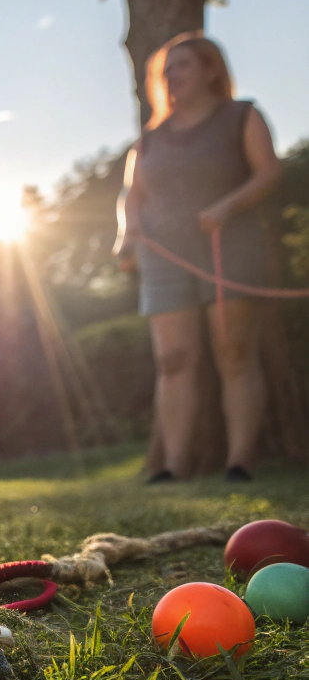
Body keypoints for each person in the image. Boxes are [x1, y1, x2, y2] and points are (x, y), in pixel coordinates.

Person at [115, 32, 281, 482]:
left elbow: (268, 172)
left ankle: (240, 462)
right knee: (173, 360)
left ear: (211, 70)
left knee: (234, 351)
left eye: (182, 65)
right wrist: (126, 235)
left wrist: (230, 205)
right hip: (164, 257)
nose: (172, 75)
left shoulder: (241, 116)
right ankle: (172, 467)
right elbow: (131, 194)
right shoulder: (149, 140)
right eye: (167, 69)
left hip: (228, 244)